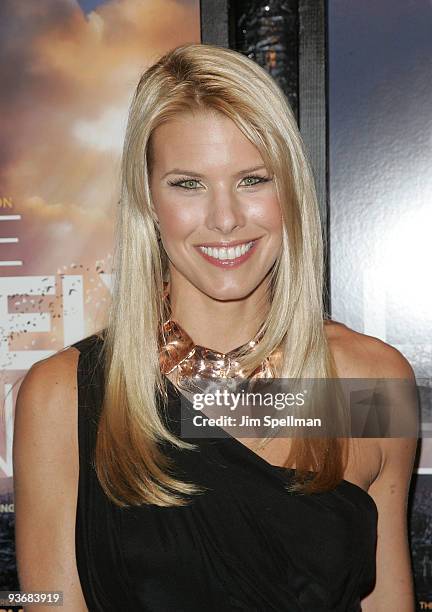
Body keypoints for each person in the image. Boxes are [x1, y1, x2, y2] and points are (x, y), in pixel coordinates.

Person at [13, 43, 418, 611]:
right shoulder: (63, 397)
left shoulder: (369, 382)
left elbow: (385, 601)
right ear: (148, 199)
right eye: (188, 184)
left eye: (253, 179)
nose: (225, 219)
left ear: (291, 191)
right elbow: (45, 598)